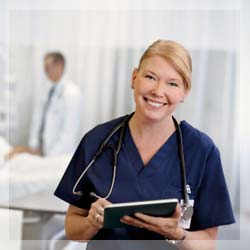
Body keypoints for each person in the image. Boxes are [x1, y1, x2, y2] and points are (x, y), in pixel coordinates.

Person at [54, 40, 235, 250]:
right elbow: (72, 226)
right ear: (134, 78)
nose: (158, 91)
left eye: (173, 83)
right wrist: (90, 222)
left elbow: (209, 243)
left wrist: (178, 234)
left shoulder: (201, 151)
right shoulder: (97, 141)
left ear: (185, 92)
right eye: (150, 77)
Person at [6, 52, 82, 158]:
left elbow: (69, 133)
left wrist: (50, 155)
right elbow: (37, 121)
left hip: (60, 155)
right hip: (40, 153)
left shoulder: (72, 92)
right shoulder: (46, 90)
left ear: (60, 65)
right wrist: (34, 146)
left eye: (47, 67)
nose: (45, 71)